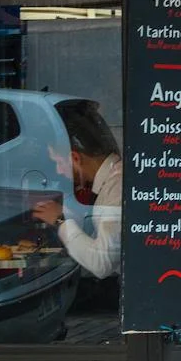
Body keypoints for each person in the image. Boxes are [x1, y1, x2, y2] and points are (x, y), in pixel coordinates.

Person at [32, 101, 122, 279]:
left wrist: (60, 220)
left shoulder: (116, 187)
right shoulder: (113, 180)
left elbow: (102, 263)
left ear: (75, 158)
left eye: (58, 162)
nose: (59, 170)